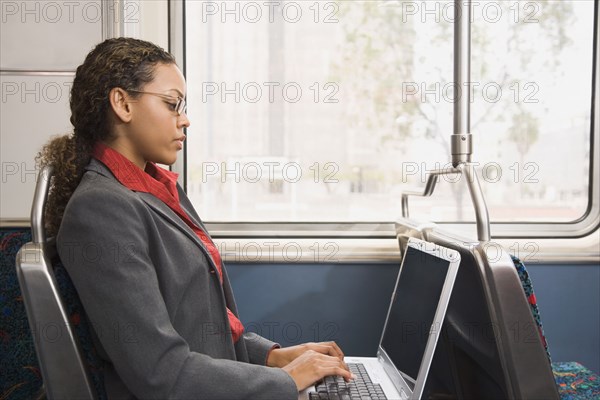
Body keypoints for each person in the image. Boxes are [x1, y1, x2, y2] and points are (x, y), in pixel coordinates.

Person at [38, 37, 353, 399]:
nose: (184, 119)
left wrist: (273, 357)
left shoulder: (159, 188)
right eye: (173, 105)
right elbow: (160, 371)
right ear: (122, 103)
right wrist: (287, 381)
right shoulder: (101, 210)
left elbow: (195, 326)